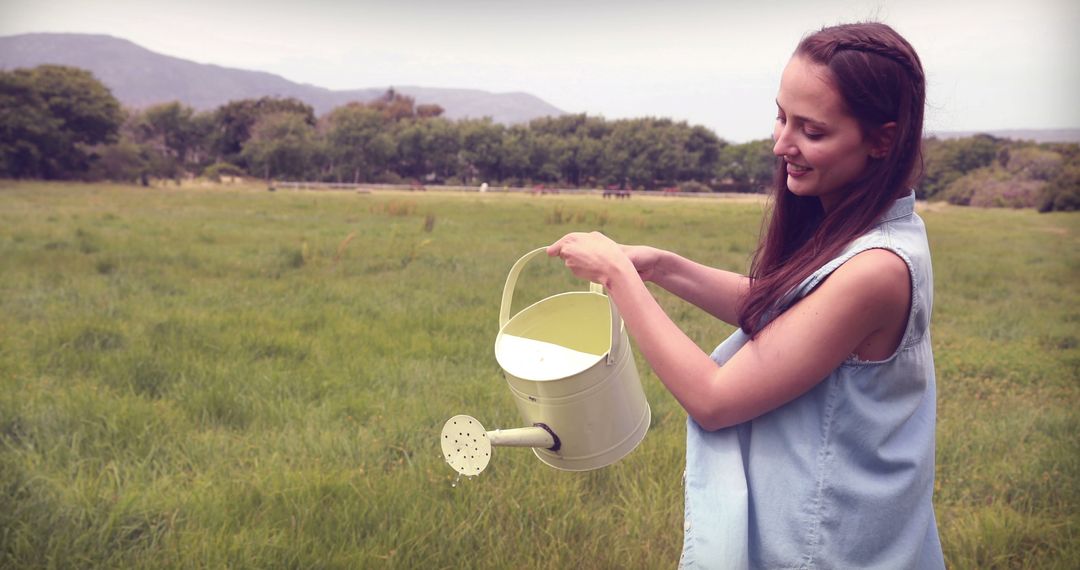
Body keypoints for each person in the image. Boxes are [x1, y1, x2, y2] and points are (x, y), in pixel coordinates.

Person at [548, 22, 945, 569]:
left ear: (883, 140)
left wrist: (619, 277)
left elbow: (714, 399)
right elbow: (785, 316)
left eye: (812, 130)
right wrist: (660, 266)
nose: (782, 144)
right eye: (781, 116)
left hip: (823, 547)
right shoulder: (865, 231)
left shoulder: (876, 269)